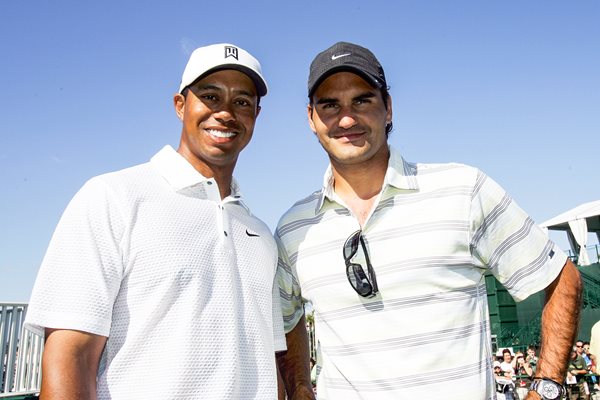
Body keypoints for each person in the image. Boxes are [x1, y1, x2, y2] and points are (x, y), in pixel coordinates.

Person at [276, 41, 583, 399]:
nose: (346, 118)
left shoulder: (464, 190)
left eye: (362, 100)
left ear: (388, 108)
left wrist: (545, 389)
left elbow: (562, 277)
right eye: (330, 105)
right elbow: (286, 315)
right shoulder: (294, 228)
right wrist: (299, 386)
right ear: (311, 119)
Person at [25, 43, 286, 399]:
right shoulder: (112, 197)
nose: (225, 113)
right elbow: (72, 354)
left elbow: (269, 360)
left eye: (242, 102)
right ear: (180, 105)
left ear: (256, 115)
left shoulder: (260, 235)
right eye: (210, 96)